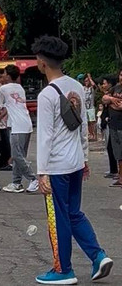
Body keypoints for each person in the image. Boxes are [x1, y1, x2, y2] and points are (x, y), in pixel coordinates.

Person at [32, 36, 113, 284]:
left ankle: (62, 269)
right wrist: (85, 157)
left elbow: (45, 136)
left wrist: (41, 171)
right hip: (76, 162)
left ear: (42, 62)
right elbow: (81, 128)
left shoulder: (47, 94)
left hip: (56, 166)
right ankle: (98, 256)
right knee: (73, 212)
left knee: (58, 218)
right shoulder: (75, 87)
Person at [0, 65, 38, 193]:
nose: (2, 76)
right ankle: (16, 182)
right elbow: (8, 107)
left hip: (17, 126)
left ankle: (33, 179)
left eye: (4, 73)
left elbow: (0, 102)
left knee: (17, 155)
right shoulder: (20, 88)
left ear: (9, 76)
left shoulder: (3, 88)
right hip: (26, 125)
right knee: (19, 155)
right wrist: (0, 117)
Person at [102, 68, 122, 187]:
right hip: (113, 125)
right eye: (120, 75)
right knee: (118, 153)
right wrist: (112, 99)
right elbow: (104, 99)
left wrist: (112, 104)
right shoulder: (116, 88)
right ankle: (120, 177)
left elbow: (120, 107)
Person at [98, 75, 118, 179]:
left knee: (113, 147)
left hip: (114, 123)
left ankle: (116, 170)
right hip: (108, 123)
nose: (103, 85)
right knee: (110, 147)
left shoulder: (115, 93)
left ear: (110, 84)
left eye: (105, 83)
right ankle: (113, 169)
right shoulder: (108, 94)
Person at [78, 73, 97, 141]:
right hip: (85, 107)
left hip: (91, 107)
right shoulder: (83, 88)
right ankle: (90, 134)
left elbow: (94, 85)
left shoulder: (91, 88)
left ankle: (94, 135)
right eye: (85, 81)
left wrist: (89, 78)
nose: (86, 82)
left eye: (87, 81)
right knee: (88, 122)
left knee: (92, 122)